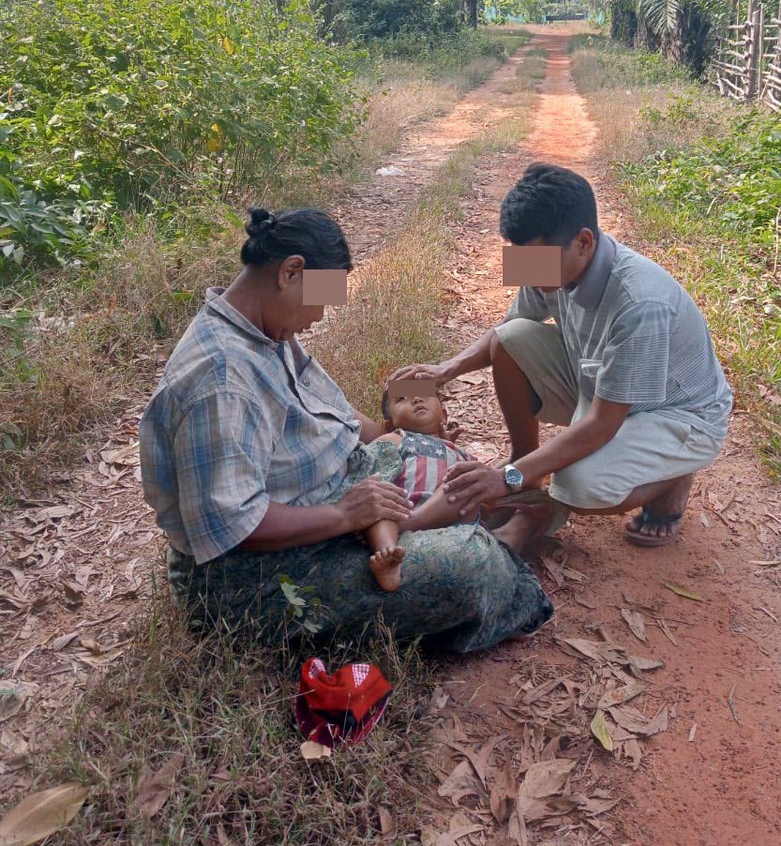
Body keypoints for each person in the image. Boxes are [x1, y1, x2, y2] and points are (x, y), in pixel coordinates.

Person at [138, 206, 552, 652]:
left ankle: (448, 523)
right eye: (321, 299)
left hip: (328, 497)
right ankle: (499, 543)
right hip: (248, 576)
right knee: (470, 564)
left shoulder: (263, 333)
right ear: (290, 272)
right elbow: (234, 526)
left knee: (431, 457)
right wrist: (344, 515)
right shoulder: (220, 380)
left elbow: (337, 416)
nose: (318, 317)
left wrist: (410, 444)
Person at [391, 164, 732, 553]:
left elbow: (602, 424)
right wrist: (448, 368)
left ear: (584, 242)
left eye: (536, 262)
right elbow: (509, 328)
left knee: (577, 485)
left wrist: (506, 478)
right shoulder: (550, 259)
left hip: (675, 414)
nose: (529, 273)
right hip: (601, 383)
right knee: (509, 340)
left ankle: (671, 479)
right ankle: (524, 464)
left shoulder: (640, 304)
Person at [365, 385, 473, 591]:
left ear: (444, 414)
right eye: (402, 398)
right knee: (381, 505)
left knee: (472, 485)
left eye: (425, 393)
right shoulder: (395, 439)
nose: (416, 398)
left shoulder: (463, 454)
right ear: (390, 424)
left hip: (454, 520)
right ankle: (387, 553)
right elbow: (376, 475)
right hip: (402, 512)